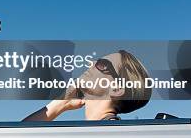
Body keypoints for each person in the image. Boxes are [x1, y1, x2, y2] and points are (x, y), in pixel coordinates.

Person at [23, 50, 151, 121]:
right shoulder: (100, 133)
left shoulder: (110, 135)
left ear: (116, 89)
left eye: (102, 64)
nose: (91, 63)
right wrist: (62, 103)